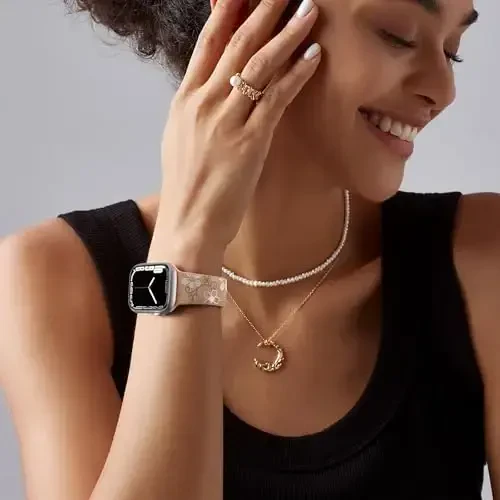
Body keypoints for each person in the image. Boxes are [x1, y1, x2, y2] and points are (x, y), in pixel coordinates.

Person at [0, 0, 498, 498]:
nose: (443, 90)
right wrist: (188, 246)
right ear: (244, 12)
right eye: (398, 34)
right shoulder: (54, 278)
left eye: (451, 51)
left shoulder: (482, 258)